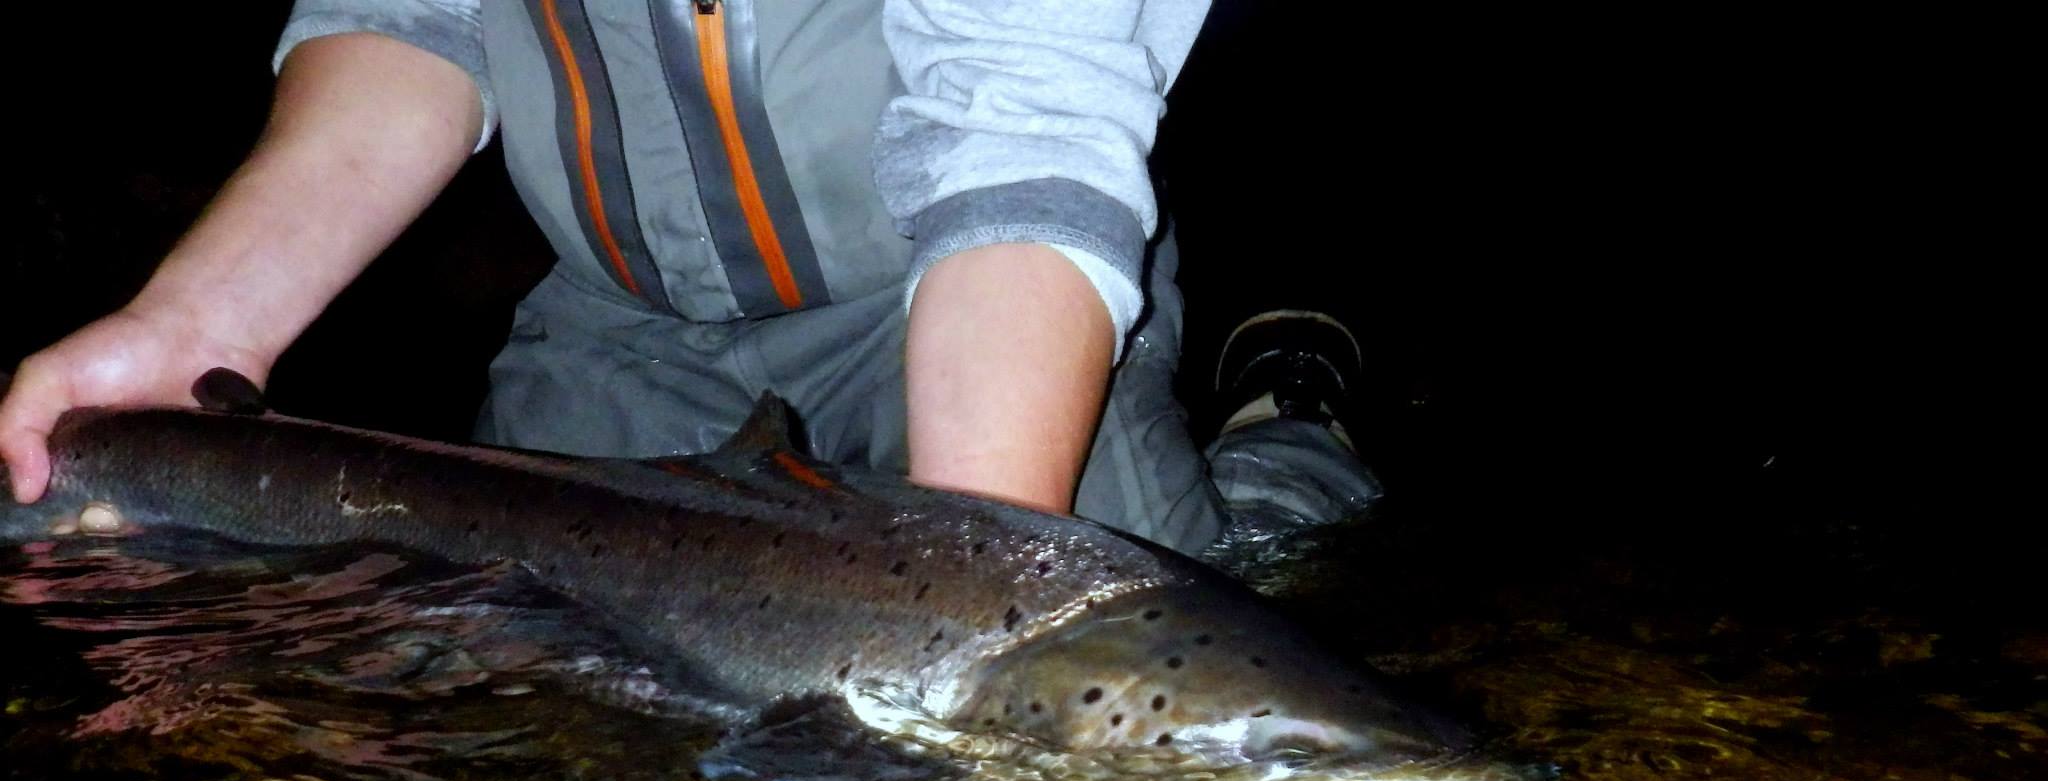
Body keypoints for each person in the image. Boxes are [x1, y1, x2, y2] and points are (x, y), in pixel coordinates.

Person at [0, 1, 1377, 557]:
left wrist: (972, 584)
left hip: (958, 293)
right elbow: (410, 22)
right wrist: (191, 326)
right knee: (502, 756)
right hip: (620, 320)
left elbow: (1018, 147)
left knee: (1164, 693)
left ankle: (1284, 443)